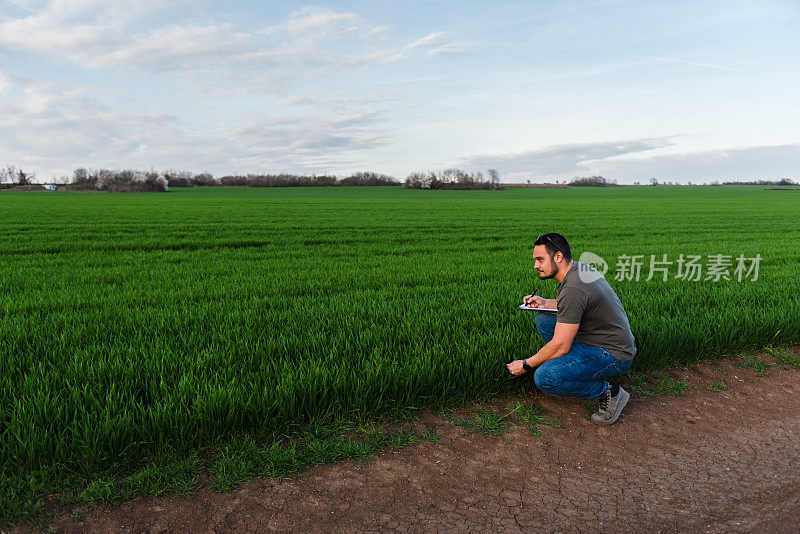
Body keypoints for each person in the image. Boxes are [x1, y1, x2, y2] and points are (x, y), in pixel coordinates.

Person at [506, 233, 637, 425]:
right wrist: (544, 302)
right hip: (600, 338)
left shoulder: (574, 288)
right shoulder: (578, 269)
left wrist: (526, 364)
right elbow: (574, 305)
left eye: (540, 259)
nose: (535, 265)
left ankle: (610, 393)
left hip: (614, 354)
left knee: (545, 377)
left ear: (558, 257)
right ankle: (569, 368)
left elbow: (561, 345)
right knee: (544, 318)